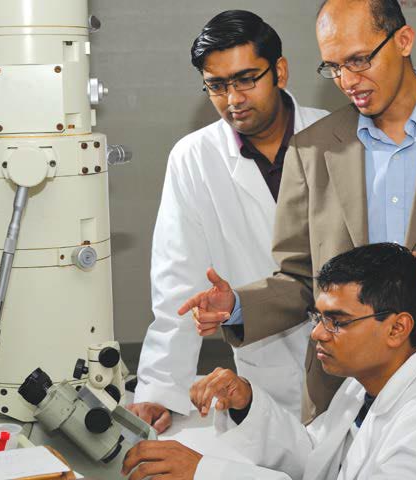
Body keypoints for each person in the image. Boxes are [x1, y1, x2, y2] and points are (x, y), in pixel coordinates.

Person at [181, 0, 416, 422]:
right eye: (333, 67)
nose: (347, 80)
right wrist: (239, 305)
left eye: (358, 60)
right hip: (345, 388)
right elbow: (301, 277)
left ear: (404, 40)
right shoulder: (311, 148)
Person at [129, 10, 327, 433]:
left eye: (245, 79)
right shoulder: (194, 157)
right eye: (217, 85)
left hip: (351, 362)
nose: (232, 98)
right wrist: (160, 387)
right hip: (265, 370)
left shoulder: (337, 136)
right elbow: (178, 281)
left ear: (280, 71)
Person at [123, 243, 416, 480]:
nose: (317, 334)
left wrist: (206, 473)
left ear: (397, 328)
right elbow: (314, 457)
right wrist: (246, 402)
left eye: (337, 321)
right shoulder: (363, 385)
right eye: (318, 318)